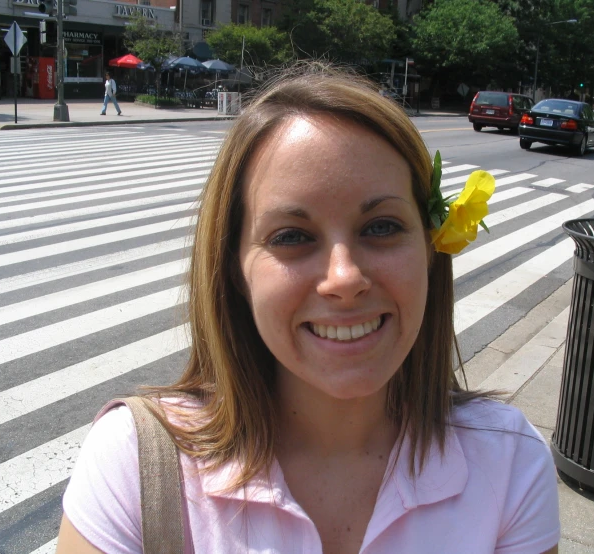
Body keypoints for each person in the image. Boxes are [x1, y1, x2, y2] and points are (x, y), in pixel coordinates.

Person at [57, 62, 560, 554]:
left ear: (431, 249)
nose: (344, 279)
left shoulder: (510, 462)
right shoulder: (137, 466)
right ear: (233, 267)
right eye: (292, 237)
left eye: (381, 227)